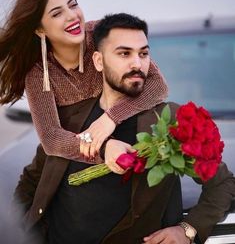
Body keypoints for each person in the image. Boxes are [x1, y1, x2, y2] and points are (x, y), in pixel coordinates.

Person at [13, 13, 235, 244]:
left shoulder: (171, 121)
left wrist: (188, 230)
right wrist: (24, 231)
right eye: (124, 53)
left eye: (144, 53)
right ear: (98, 61)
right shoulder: (69, 117)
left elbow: (223, 184)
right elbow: (31, 180)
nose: (137, 63)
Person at [0, 0, 168, 163]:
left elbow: (157, 85)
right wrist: (104, 147)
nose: (72, 15)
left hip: (135, 141)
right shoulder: (39, 71)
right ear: (40, 30)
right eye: (57, 13)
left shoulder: (102, 35)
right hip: (76, 169)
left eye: (73, 5)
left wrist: (110, 118)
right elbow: (51, 138)